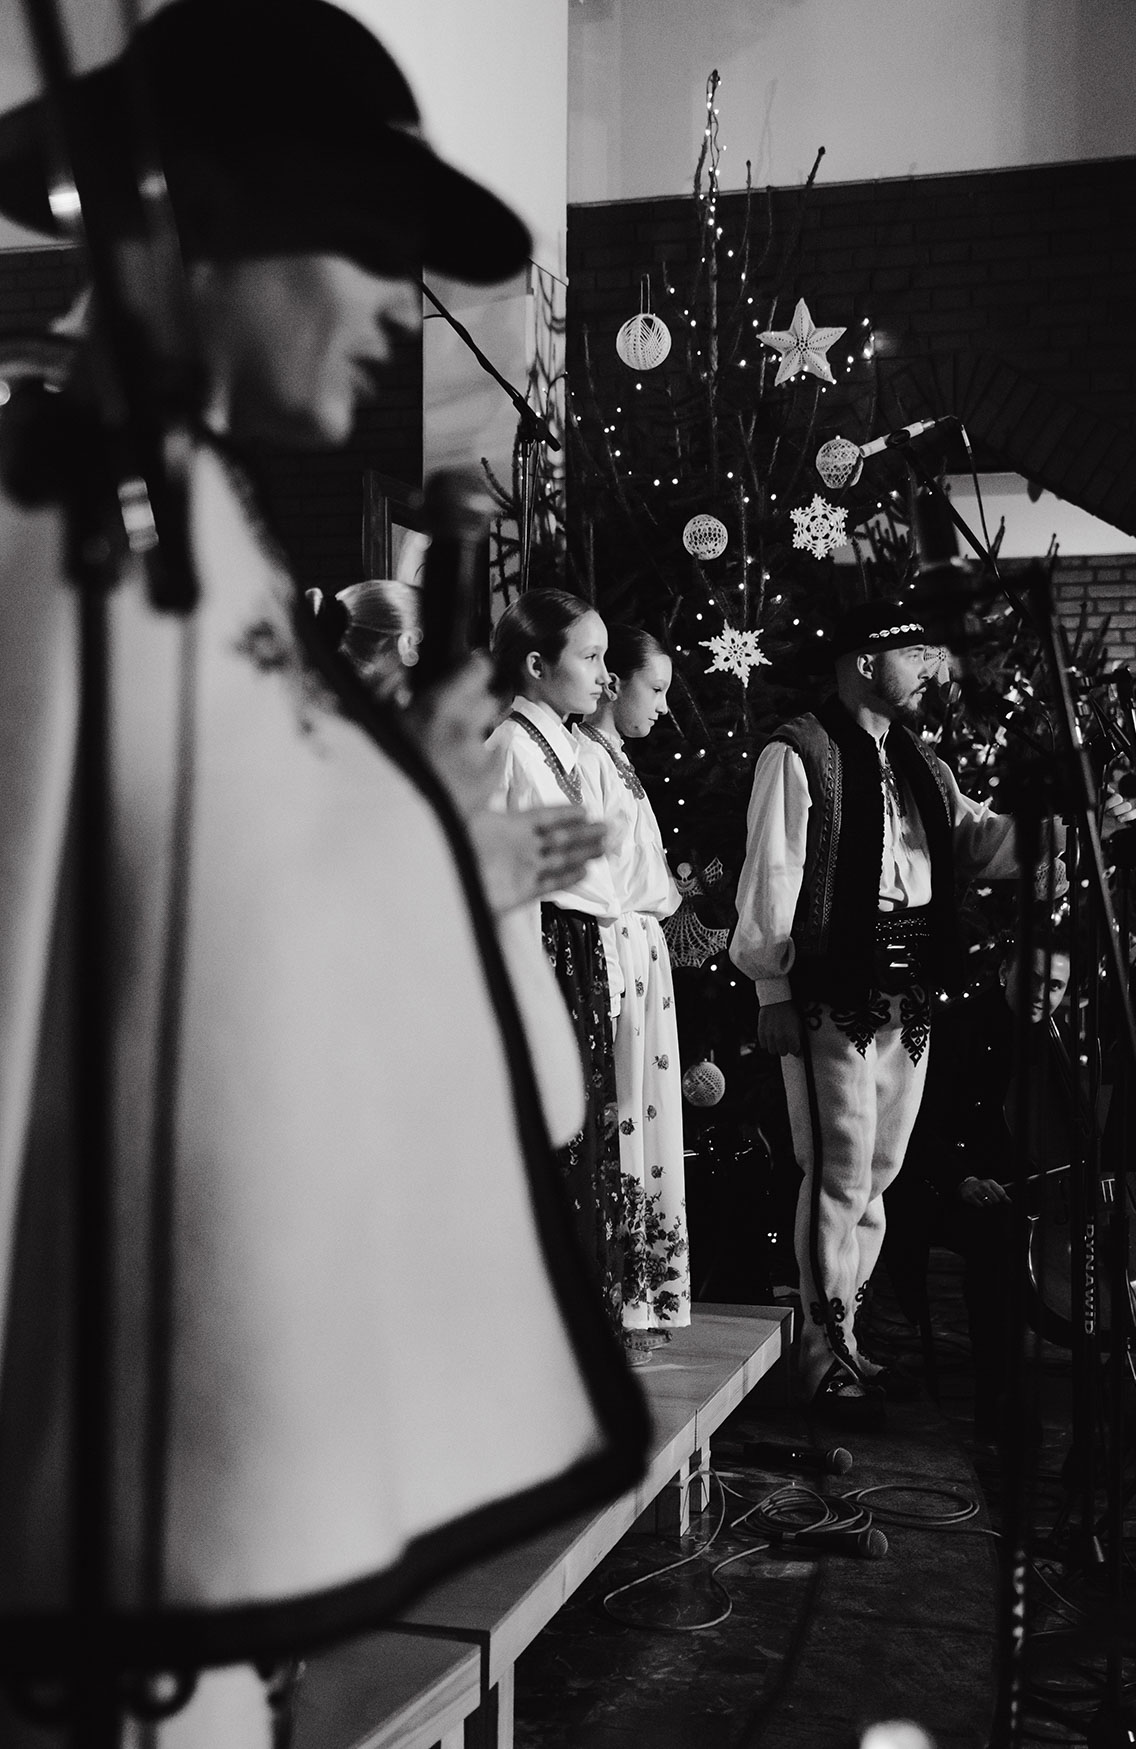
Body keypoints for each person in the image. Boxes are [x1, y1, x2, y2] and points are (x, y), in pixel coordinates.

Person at [0, 6, 646, 1743]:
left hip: (192, 1520)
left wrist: (435, 838)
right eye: (365, 246)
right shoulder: (60, 532)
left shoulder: (198, 537)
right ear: (211, 219)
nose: (395, 311)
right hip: (82, 1557)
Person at [730, 600, 1039, 1429]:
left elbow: (976, 841)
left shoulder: (919, 760)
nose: (933, 667)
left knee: (879, 1172)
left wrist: (1064, 825)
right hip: (833, 985)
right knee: (838, 1170)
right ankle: (819, 1358)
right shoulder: (801, 751)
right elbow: (772, 877)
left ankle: (845, 1337)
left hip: (912, 987)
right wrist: (772, 991)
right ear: (867, 661)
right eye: (918, 653)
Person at [489, 590, 627, 1331]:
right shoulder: (510, 746)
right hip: (543, 945)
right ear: (537, 665)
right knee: (553, 1126)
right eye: (592, 657)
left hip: (577, 944)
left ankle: (580, 1309)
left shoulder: (569, 746)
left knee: (584, 1126)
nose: (606, 676)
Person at [887, 932, 1072, 1448]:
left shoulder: (1055, 1039)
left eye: (1056, 986)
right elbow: (914, 1126)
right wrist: (961, 1179)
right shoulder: (955, 1029)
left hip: (1019, 1186)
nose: (1043, 995)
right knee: (1000, 1245)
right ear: (1005, 972)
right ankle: (999, 1400)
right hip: (941, 1187)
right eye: (1033, 979)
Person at [575, 626, 690, 1355]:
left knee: (649, 1119)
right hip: (618, 949)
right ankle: (619, 1296)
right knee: (623, 1119)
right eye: (655, 689)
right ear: (613, 682)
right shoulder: (587, 759)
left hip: (644, 949)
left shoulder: (616, 761)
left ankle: (643, 1292)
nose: (664, 706)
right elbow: (599, 882)